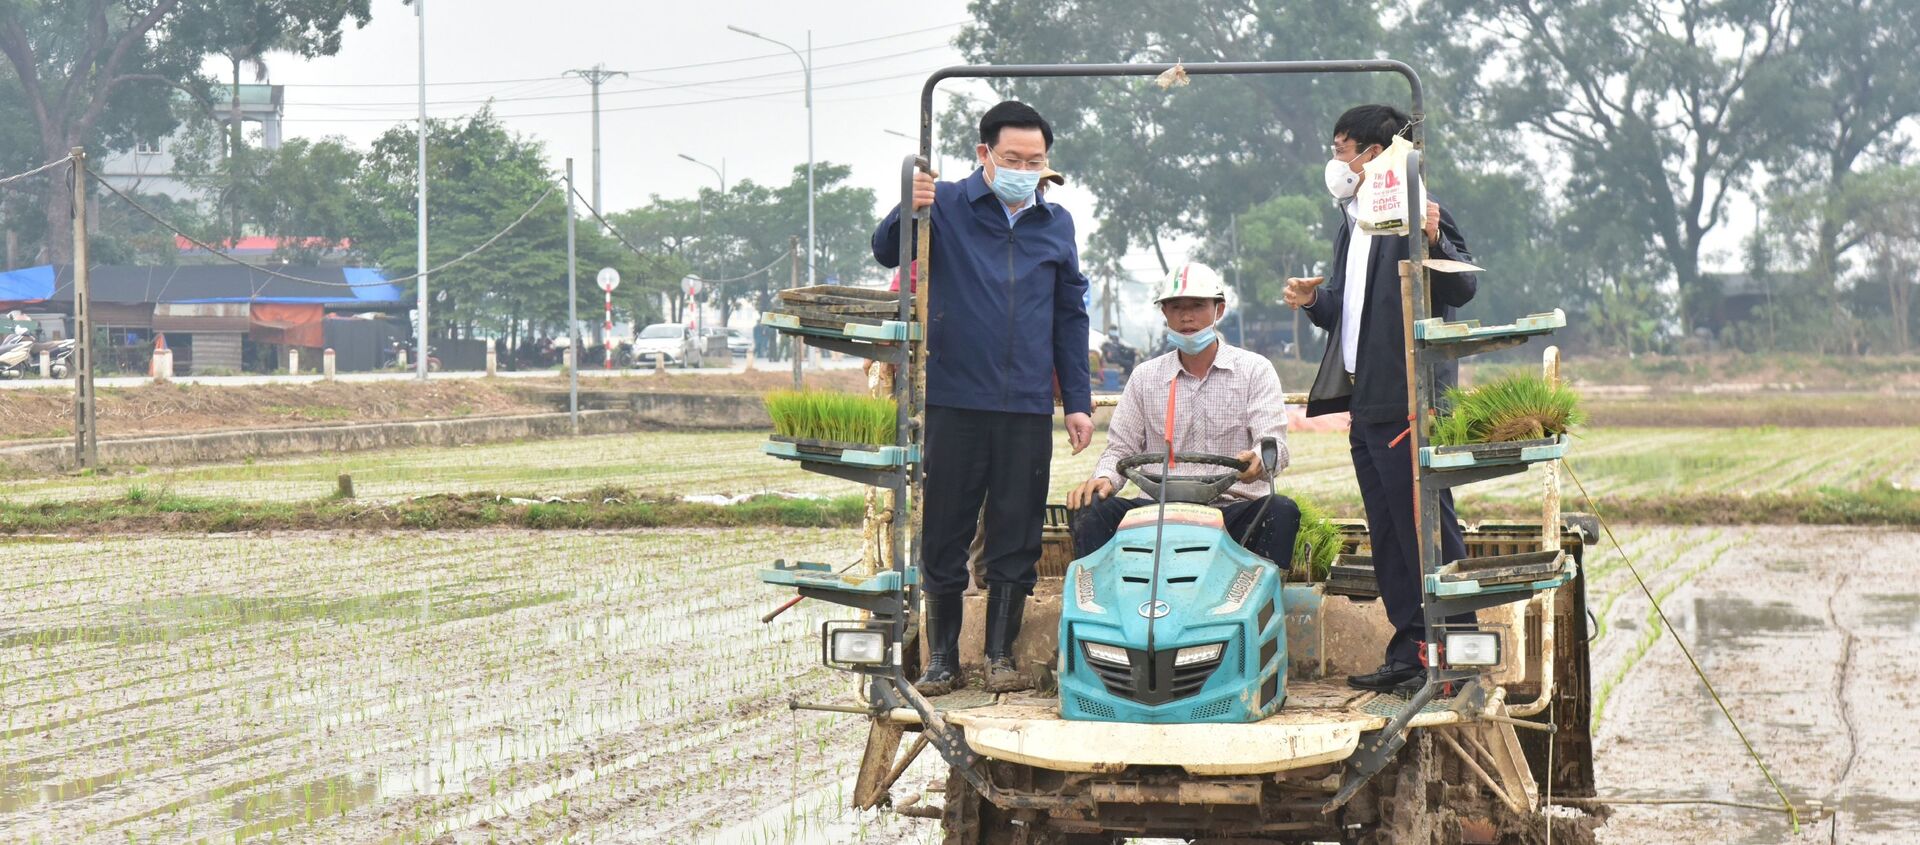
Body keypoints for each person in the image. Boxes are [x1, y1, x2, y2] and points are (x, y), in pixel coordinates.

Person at [872, 100, 1095, 695]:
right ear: (985, 155)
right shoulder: (944, 205)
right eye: (1013, 157)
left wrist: (1076, 399)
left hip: (1024, 405)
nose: (1025, 167)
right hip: (954, 398)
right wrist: (907, 203)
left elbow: (1070, 317)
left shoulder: (1057, 224)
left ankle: (1000, 655)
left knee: (1016, 530)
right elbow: (886, 247)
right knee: (944, 524)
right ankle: (944, 657)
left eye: (1036, 159)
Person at [1282, 103, 1480, 693]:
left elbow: (1463, 286)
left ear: (1377, 153)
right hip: (1365, 399)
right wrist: (1313, 301)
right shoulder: (1356, 222)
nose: (1337, 162)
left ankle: (1455, 653)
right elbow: (1350, 308)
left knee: (1427, 527)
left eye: (1343, 150)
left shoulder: (1421, 210)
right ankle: (1408, 651)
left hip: (1410, 399)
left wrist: (1433, 236)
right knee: (1389, 532)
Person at [1067, 263, 1301, 569]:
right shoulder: (1144, 378)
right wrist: (1104, 478)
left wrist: (1258, 459)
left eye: (1198, 306)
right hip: (1156, 511)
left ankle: (1258, 604)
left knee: (1280, 510)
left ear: (1219, 310)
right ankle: (1105, 608)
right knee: (1090, 508)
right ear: (1164, 312)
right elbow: (1120, 450)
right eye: (1176, 307)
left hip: (1231, 509)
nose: (1186, 316)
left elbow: (1275, 446)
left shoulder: (1255, 370)